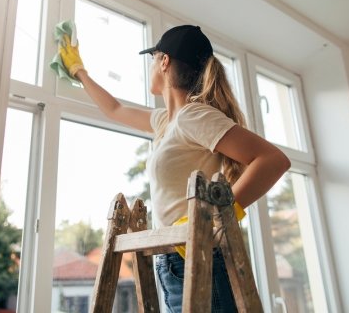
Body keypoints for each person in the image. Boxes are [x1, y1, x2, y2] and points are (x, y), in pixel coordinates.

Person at [59, 24, 290, 312]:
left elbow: (273, 161)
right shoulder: (165, 122)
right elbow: (114, 109)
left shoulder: (194, 115)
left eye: (153, 59)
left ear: (164, 61)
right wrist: (79, 71)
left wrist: (216, 219)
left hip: (200, 257)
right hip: (174, 260)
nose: (152, 67)